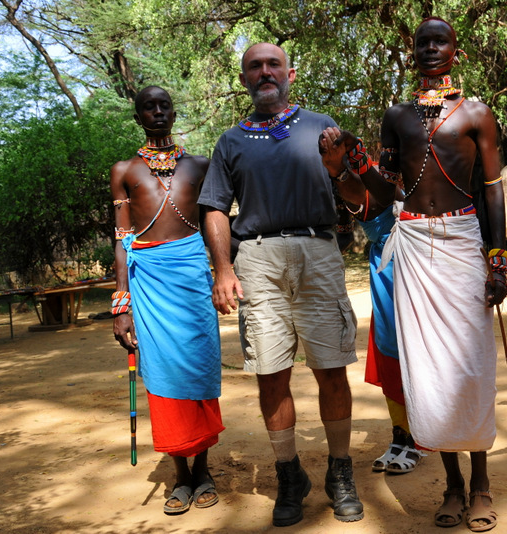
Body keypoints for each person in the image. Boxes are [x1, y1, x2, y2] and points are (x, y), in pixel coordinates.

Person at [321, 17, 507, 532]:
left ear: (455, 50)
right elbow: (385, 193)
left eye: (439, 41)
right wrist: (351, 161)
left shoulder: (476, 113)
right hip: (413, 245)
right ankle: (451, 486)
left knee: (469, 367)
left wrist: (498, 259)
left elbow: (491, 189)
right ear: (414, 52)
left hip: (464, 242)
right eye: (422, 42)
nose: (430, 48)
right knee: (429, 371)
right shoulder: (397, 116)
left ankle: (482, 486)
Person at [198, 43, 363, 527]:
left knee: (332, 366)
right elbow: (214, 208)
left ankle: (339, 471)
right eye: (255, 66)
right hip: (257, 259)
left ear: (290, 72)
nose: (265, 72)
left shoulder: (321, 125)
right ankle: (290, 475)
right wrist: (224, 270)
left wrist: (341, 168)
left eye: (273, 64)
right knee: (271, 371)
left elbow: (357, 199)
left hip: (318, 250)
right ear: (245, 78)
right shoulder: (230, 141)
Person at [111, 86, 223, 515]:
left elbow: (215, 224)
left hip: (193, 277)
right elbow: (122, 239)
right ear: (138, 115)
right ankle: (180, 475)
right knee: (162, 373)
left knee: (198, 365)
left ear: (174, 113)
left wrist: (223, 272)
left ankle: (205, 470)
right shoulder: (124, 170)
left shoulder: (200, 165)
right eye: (148, 107)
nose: (157, 112)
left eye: (164, 106)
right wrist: (121, 304)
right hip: (148, 285)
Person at [332, 171, 424, 474]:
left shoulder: (414, 173)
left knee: (416, 353)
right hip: (385, 270)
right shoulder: (362, 176)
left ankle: (419, 437)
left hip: (418, 267)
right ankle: (400, 434)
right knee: (389, 352)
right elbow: (345, 234)